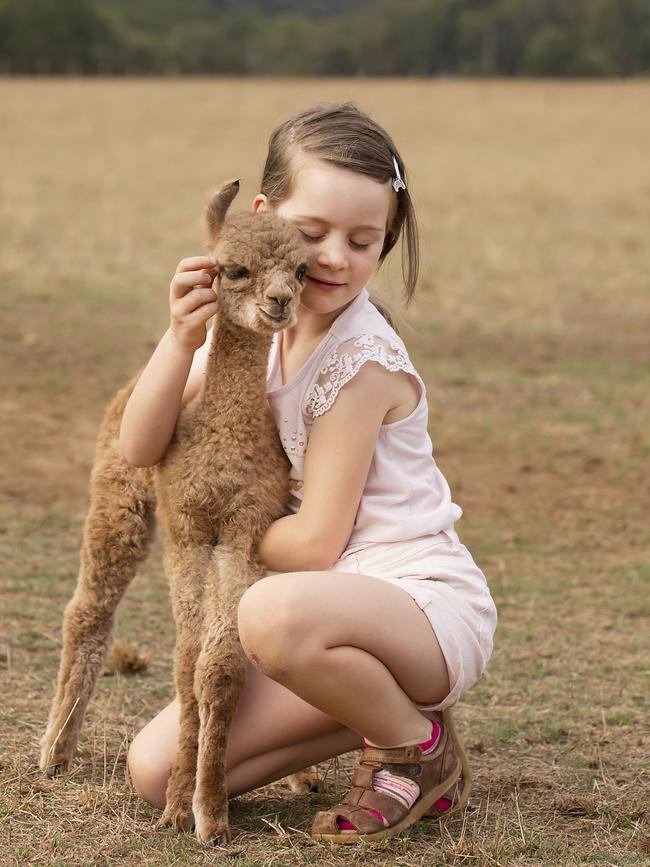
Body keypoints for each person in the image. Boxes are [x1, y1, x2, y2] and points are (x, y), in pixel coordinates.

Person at [122, 102, 498, 843]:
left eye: (364, 241)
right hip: (321, 622)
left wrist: (221, 530)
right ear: (262, 216)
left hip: (412, 603)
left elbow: (319, 542)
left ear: (385, 243)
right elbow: (141, 443)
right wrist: (179, 338)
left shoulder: (360, 364)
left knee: (267, 612)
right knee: (156, 771)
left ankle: (413, 748)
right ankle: (384, 709)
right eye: (314, 231)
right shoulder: (262, 316)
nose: (333, 257)